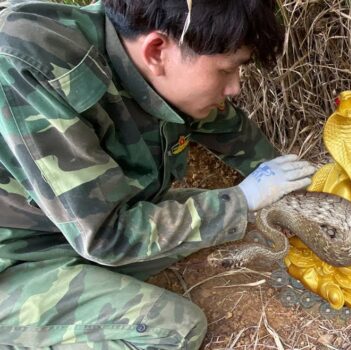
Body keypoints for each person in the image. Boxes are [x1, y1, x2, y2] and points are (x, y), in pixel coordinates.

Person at [0, 0, 316, 348]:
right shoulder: (28, 69)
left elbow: (226, 129)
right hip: (15, 261)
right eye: (227, 70)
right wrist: (241, 200)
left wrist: (299, 187)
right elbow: (107, 236)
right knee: (173, 330)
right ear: (156, 51)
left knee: (236, 219)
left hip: (67, 228)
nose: (234, 88)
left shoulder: (144, 49)